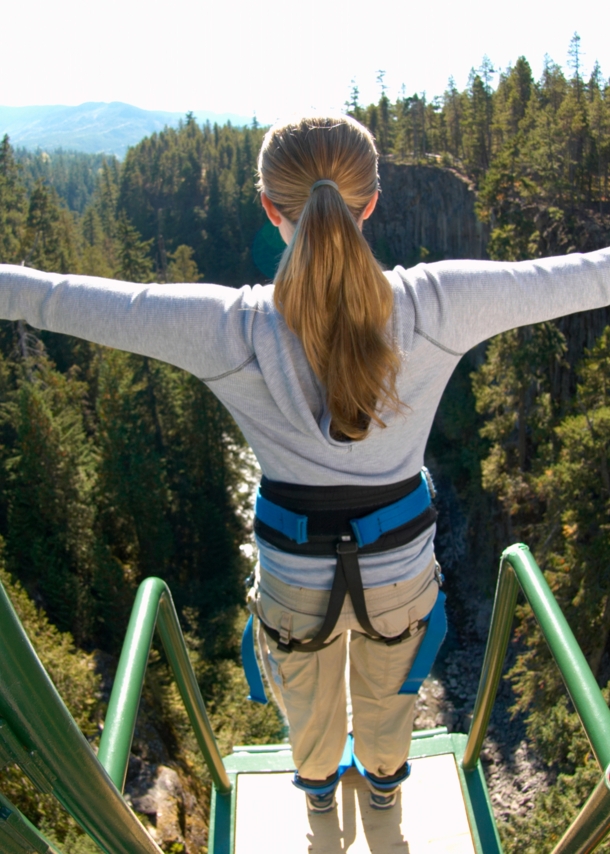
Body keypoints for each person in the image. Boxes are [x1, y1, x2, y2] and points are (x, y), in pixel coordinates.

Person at [0, 115, 609, 814]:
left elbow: (52, 297)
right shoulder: (441, 303)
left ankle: (319, 793)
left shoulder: (229, 327)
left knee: (309, 710)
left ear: (269, 208)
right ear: (372, 202)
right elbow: (585, 275)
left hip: (293, 578)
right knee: (390, 697)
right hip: (400, 572)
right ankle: (383, 787)